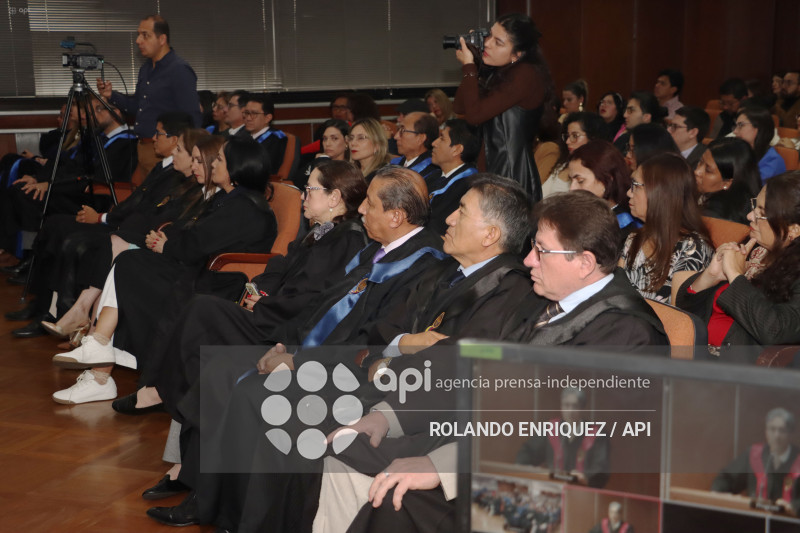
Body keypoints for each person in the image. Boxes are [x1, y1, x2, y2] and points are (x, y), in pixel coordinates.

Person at [318, 192, 667, 533]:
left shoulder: (627, 335)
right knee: (347, 450)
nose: (528, 260)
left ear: (585, 263)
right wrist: (387, 416)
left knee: (395, 495)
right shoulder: (550, 301)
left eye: (542, 251)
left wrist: (442, 466)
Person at [50, 137, 278, 404]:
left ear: (236, 167)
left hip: (216, 284)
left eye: (219, 159)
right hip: (199, 272)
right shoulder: (231, 199)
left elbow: (196, 244)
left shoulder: (245, 207)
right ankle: (98, 354)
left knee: (129, 263)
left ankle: (99, 365)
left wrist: (166, 246)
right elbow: (191, 234)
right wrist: (167, 244)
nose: (213, 163)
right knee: (127, 260)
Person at [675, 172, 800, 362]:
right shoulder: (756, 247)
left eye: (761, 214)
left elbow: (775, 330)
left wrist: (735, 274)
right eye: (754, 206)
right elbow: (685, 311)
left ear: (794, 230)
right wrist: (710, 277)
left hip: (738, 370)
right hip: (699, 355)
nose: (750, 216)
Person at [453, 12, 553, 201]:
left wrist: (469, 67)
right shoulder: (500, 71)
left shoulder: (525, 74)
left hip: (511, 176)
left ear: (517, 54)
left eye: (498, 42)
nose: (488, 43)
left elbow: (474, 116)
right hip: (493, 170)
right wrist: (475, 65)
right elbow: (460, 107)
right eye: (489, 35)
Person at [96, 15, 201, 176]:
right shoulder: (146, 69)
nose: (138, 41)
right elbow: (137, 107)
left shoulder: (179, 70)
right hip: (143, 148)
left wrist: (189, 155)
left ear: (162, 39)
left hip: (167, 152)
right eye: (139, 35)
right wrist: (111, 95)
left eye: (145, 35)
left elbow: (192, 117)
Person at [622, 152, 713, 303]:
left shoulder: (692, 249)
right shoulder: (634, 238)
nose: (628, 193)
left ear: (661, 194)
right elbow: (615, 293)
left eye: (636, 186)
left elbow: (678, 313)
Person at [711, 408, 799, 515]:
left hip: (789, 522)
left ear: (790, 433)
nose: (777, 435)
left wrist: (792, 506)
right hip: (755, 520)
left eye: (782, 430)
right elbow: (725, 479)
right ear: (766, 432)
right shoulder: (754, 455)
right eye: (772, 429)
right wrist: (725, 496)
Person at [516, 388, 610, 488]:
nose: (570, 411)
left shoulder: (597, 435)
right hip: (552, 489)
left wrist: (585, 477)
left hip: (582, 492)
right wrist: (524, 471)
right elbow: (528, 452)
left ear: (582, 408)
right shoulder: (550, 429)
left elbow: (601, 469)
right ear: (561, 407)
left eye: (575, 406)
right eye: (566, 405)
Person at [567, 140, 637, 238]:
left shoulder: (622, 225)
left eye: (580, 181)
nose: (572, 188)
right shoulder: (580, 214)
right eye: (571, 180)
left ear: (607, 180)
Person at [427, 118, 480, 234]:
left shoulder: (468, 186)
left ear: (456, 149)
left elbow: (438, 226)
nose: (434, 143)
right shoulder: (433, 175)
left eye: (442, 138)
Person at [695, 138, 761, 224]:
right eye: (700, 162)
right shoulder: (748, 200)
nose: (697, 172)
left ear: (726, 183)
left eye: (708, 170)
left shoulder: (712, 216)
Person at [542, 111, 605, 197]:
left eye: (575, 136)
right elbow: (542, 194)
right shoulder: (563, 164)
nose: (568, 141)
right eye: (567, 136)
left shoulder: (598, 171)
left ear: (592, 138)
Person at [733, 106, 786, 183]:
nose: (735, 131)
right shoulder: (739, 151)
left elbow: (752, 187)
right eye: (736, 126)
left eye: (741, 125)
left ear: (759, 127)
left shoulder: (773, 161)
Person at [292, 119, 349, 190]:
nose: (327, 143)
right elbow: (297, 184)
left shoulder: (352, 168)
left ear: (346, 141)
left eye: (334, 138)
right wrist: (318, 163)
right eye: (325, 139)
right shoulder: (318, 161)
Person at [391, 111, 441, 184]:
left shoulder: (431, 173)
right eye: (398, 130)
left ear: (420, 138)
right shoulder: (395, 163)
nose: (396, 137)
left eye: (402, 131)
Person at [241, 92, 287, 173]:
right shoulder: (241, 136)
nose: (248, 118)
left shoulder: (277, 140)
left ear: (267, 118)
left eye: (254, 113)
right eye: (247, 113)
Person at [616, 91, 666, 155]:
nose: (625, 115)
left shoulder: (658, 146)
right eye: (626, 110)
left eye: (631, 110)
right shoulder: (624, 138)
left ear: (646, 117)